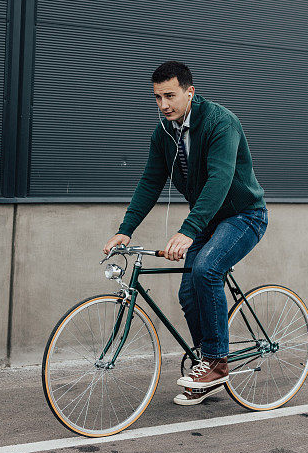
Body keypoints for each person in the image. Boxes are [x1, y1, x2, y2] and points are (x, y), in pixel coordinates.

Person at [103, 60, 268, 406]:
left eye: (170, 95)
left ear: (190, 92)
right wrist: (126, 230)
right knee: (189, 294)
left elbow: (220, 179)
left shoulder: (222, 123)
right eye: (157, 98)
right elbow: (150, 181)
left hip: (244, 215)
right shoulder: (163, 133)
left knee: (207, 270)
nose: (163, 105)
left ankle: (217, 363)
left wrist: (188, 230)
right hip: (207, 220)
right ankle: (206, 365)